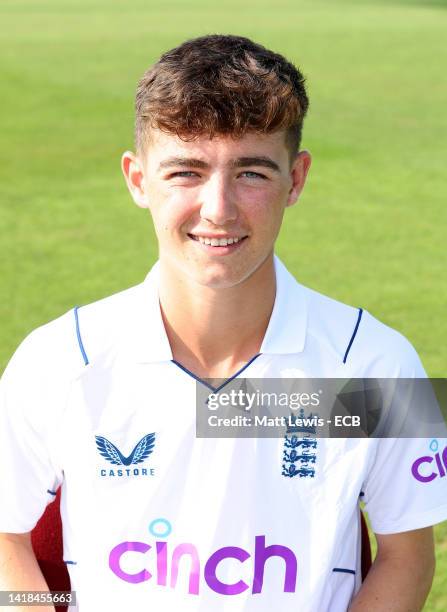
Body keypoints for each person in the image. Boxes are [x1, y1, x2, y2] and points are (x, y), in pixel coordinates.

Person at [0, 34, 446, 612]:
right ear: (138, 180)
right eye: (186, 171)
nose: (218, 208)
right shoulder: (60, 359)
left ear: (298, 178)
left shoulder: (376, 364)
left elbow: (408, 556)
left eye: (252, 173)